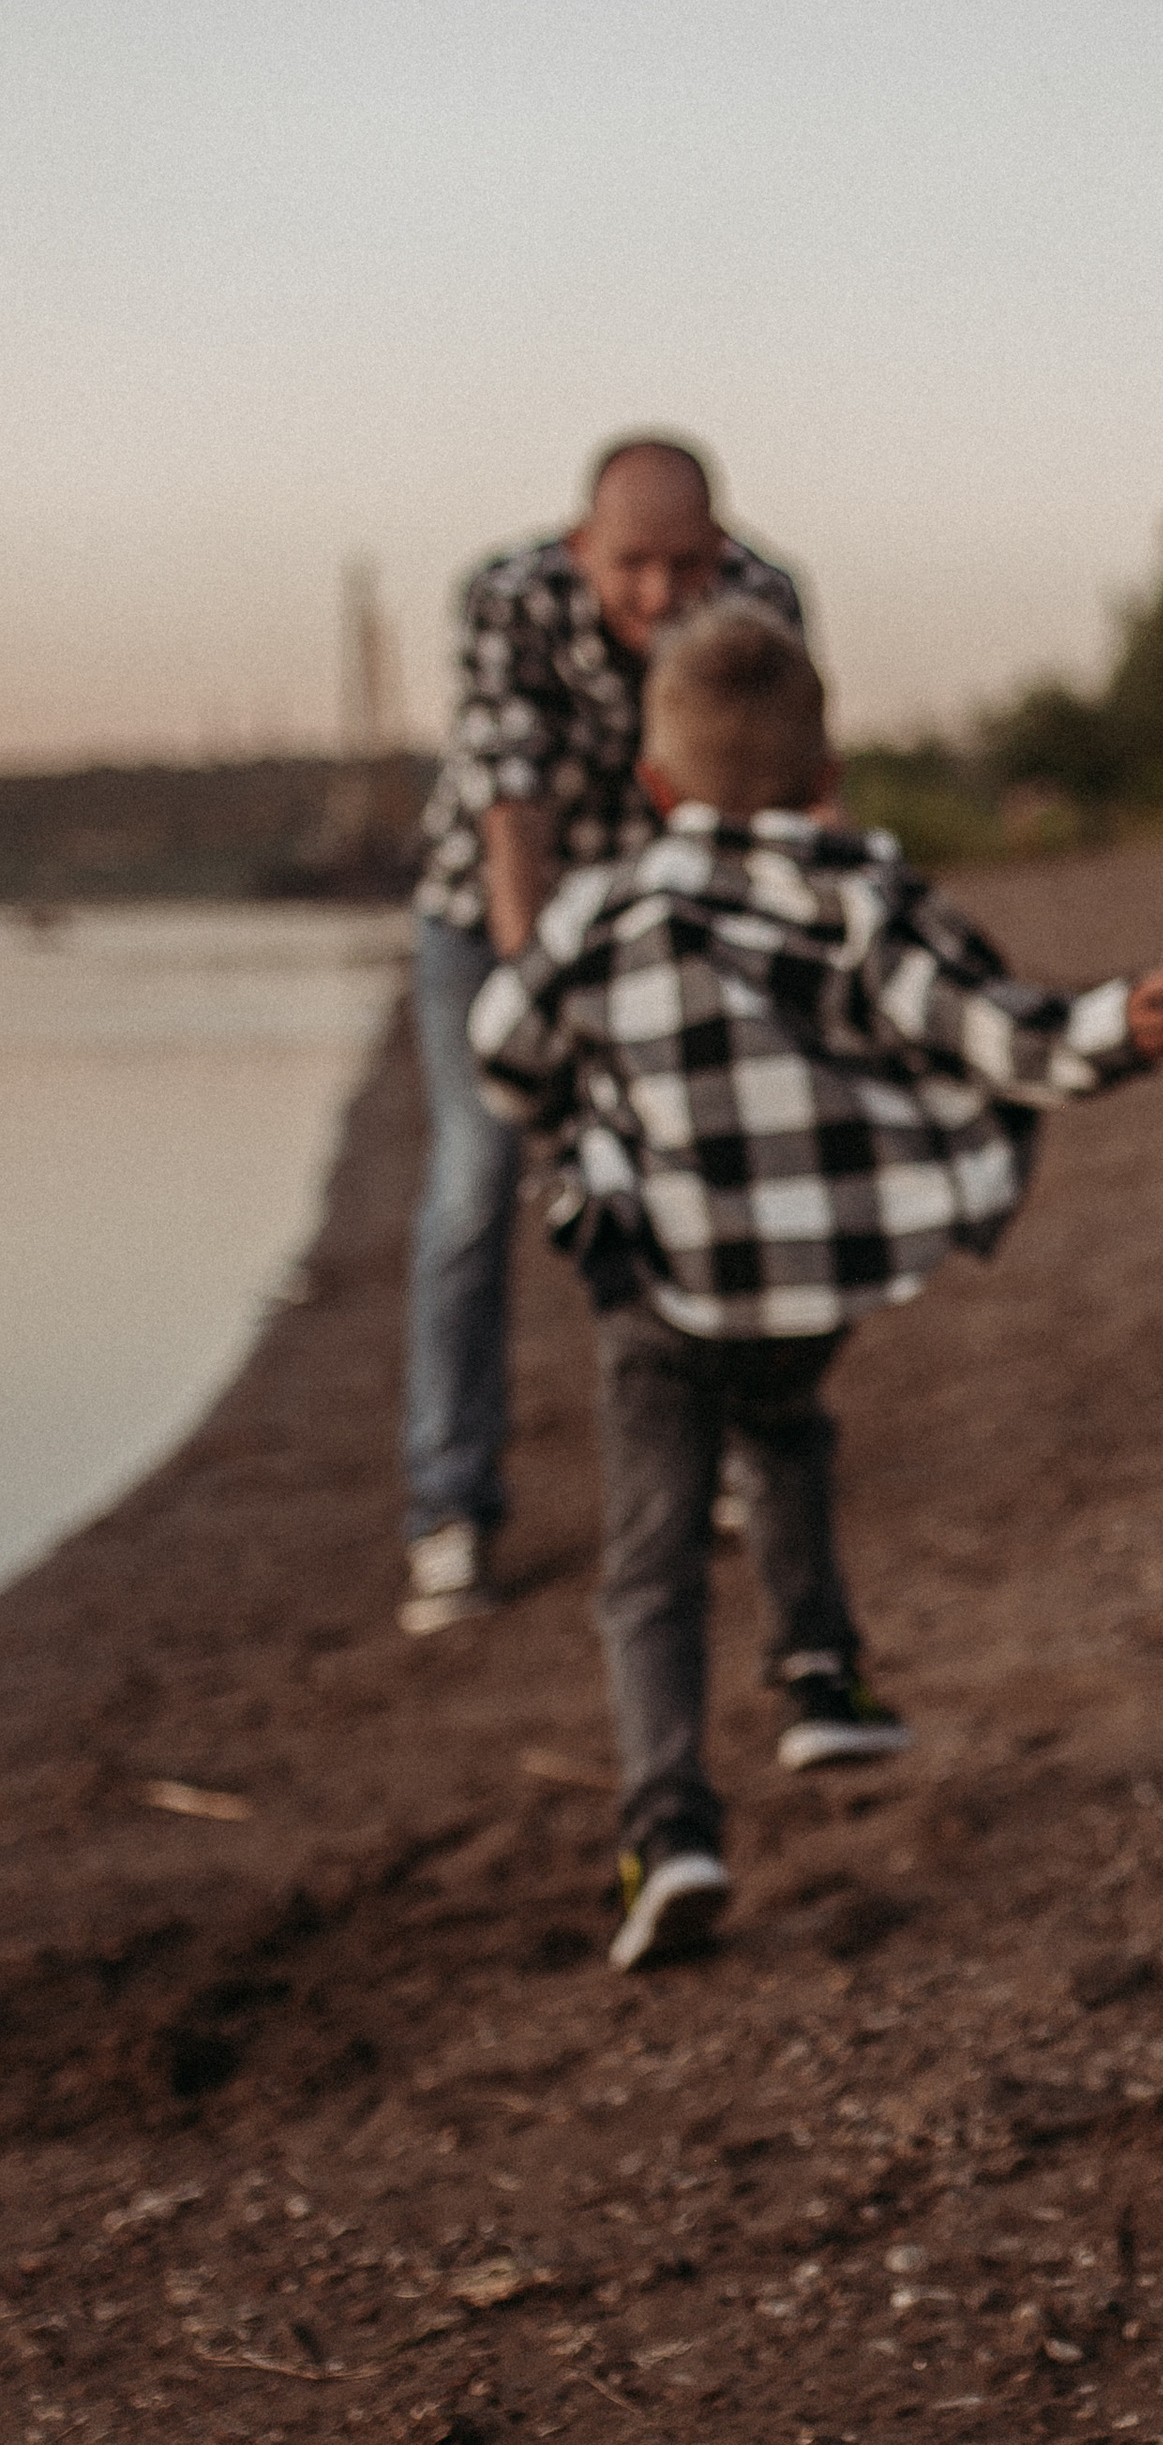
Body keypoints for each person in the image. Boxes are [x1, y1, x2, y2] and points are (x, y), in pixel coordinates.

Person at [468, 601, 1163, 1972]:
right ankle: (816, 1670)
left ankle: (668, 1826)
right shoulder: (862, 894)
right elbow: (1000, 1032)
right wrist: (1121, 1026)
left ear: (655, 785)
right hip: (811, 1278)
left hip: (663, 1279)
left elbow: (500, 1047)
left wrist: (585, 1099)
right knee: (787, 1427)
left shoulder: (603, 908)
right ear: (826, 776)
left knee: (652, 1561)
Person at [400, 436, 803, 1638]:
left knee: (701, 1177)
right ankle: (449, 1508)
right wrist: (539, 999)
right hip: (493, 923)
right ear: (584, 547)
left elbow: (780, 787)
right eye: (633, 565)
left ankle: (728, 1448)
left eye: (688, 565)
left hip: (667, 922)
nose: (661, 596)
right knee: (478, 1187)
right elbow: (509, 810)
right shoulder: (506, 598)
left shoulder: (765, 598)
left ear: (721, 545)